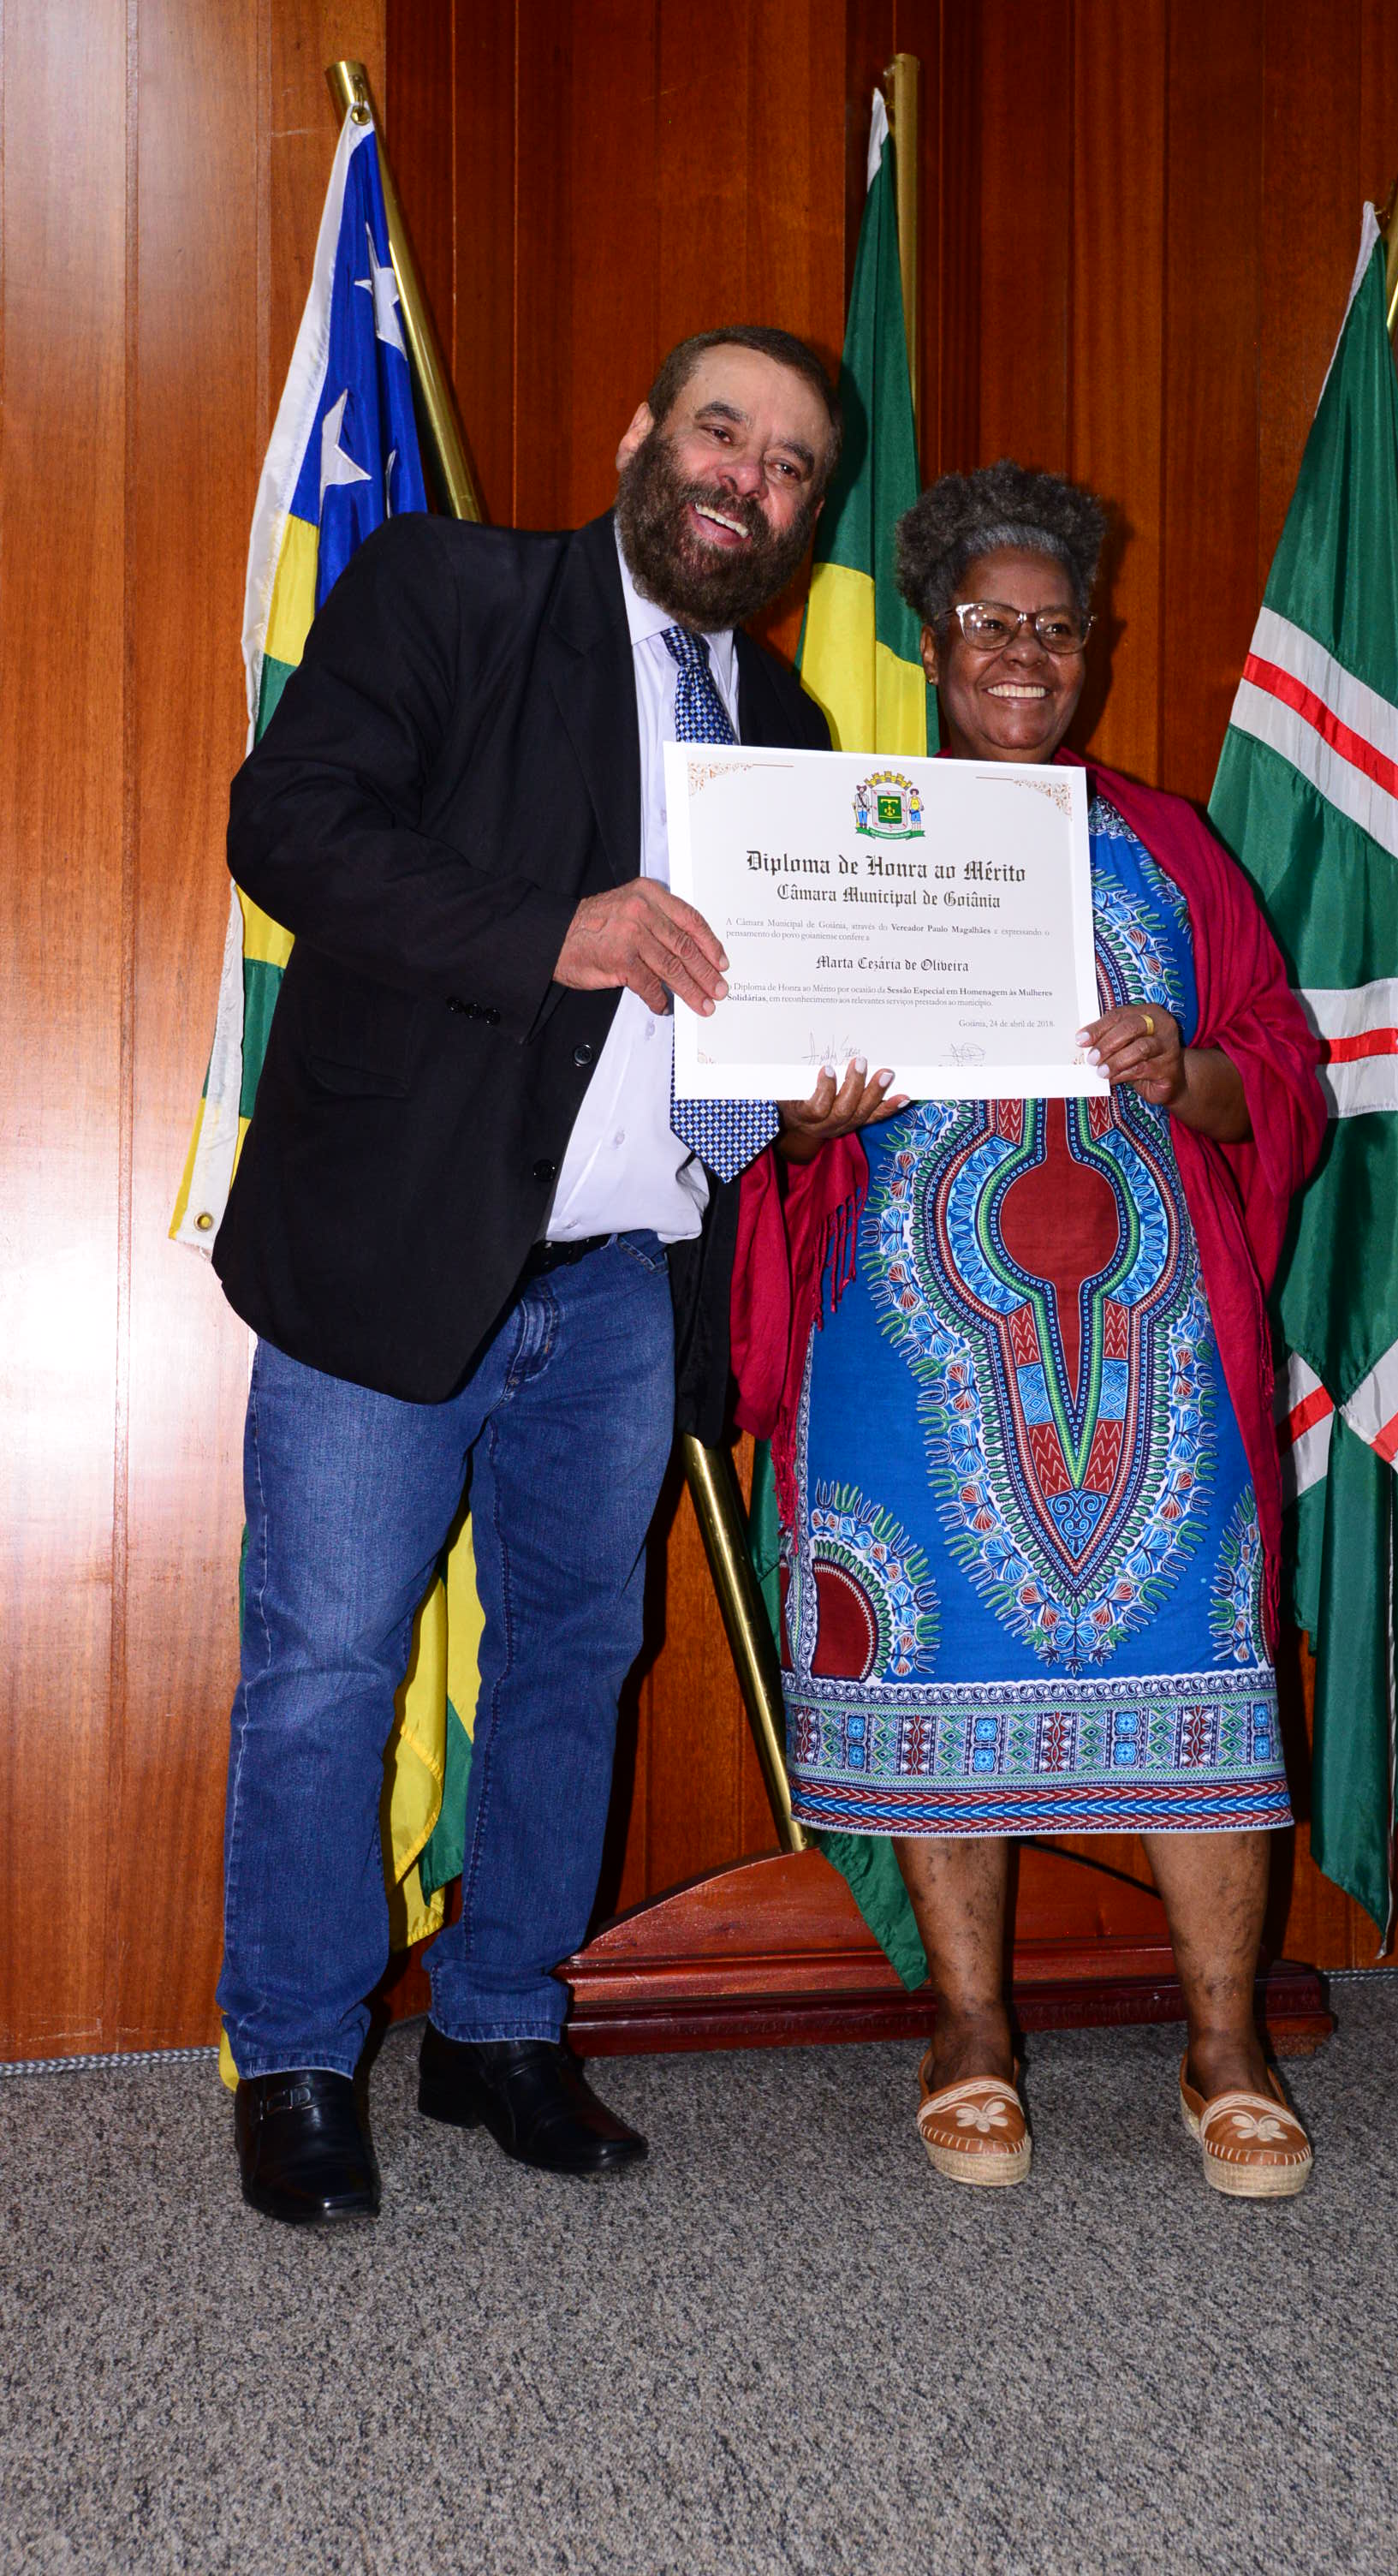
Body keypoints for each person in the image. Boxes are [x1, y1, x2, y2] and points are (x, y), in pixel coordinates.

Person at [215, 325, 841, 2224]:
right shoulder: (452, 590)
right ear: (642, 431)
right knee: (328, 1664)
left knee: (573, 1658)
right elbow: (288, 826)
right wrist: (550, 930)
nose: (745, 478)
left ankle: (499, 2025)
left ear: (805, 517)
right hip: (398, 1243)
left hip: (628, 1279)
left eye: (788, 466)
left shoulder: (789, 728)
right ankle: (298, 2053)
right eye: (721, 431)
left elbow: (752, 1013)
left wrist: (809, 1094)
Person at [734, 462, 1327, 2197]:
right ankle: (971, 2029)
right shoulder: (839, 836)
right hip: (907, 1338)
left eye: (1053, 628)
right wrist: (802, 1118)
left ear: (1091, 651)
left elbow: (1280, 1069)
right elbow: (748, 1096)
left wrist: (1184, 1063)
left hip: (1152, 1343)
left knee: (1203, 1661)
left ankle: (1224, 2043)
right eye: (987, 622)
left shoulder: (1166, 844)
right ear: (930, 644)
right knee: (928, 1665)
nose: (1021, 653)